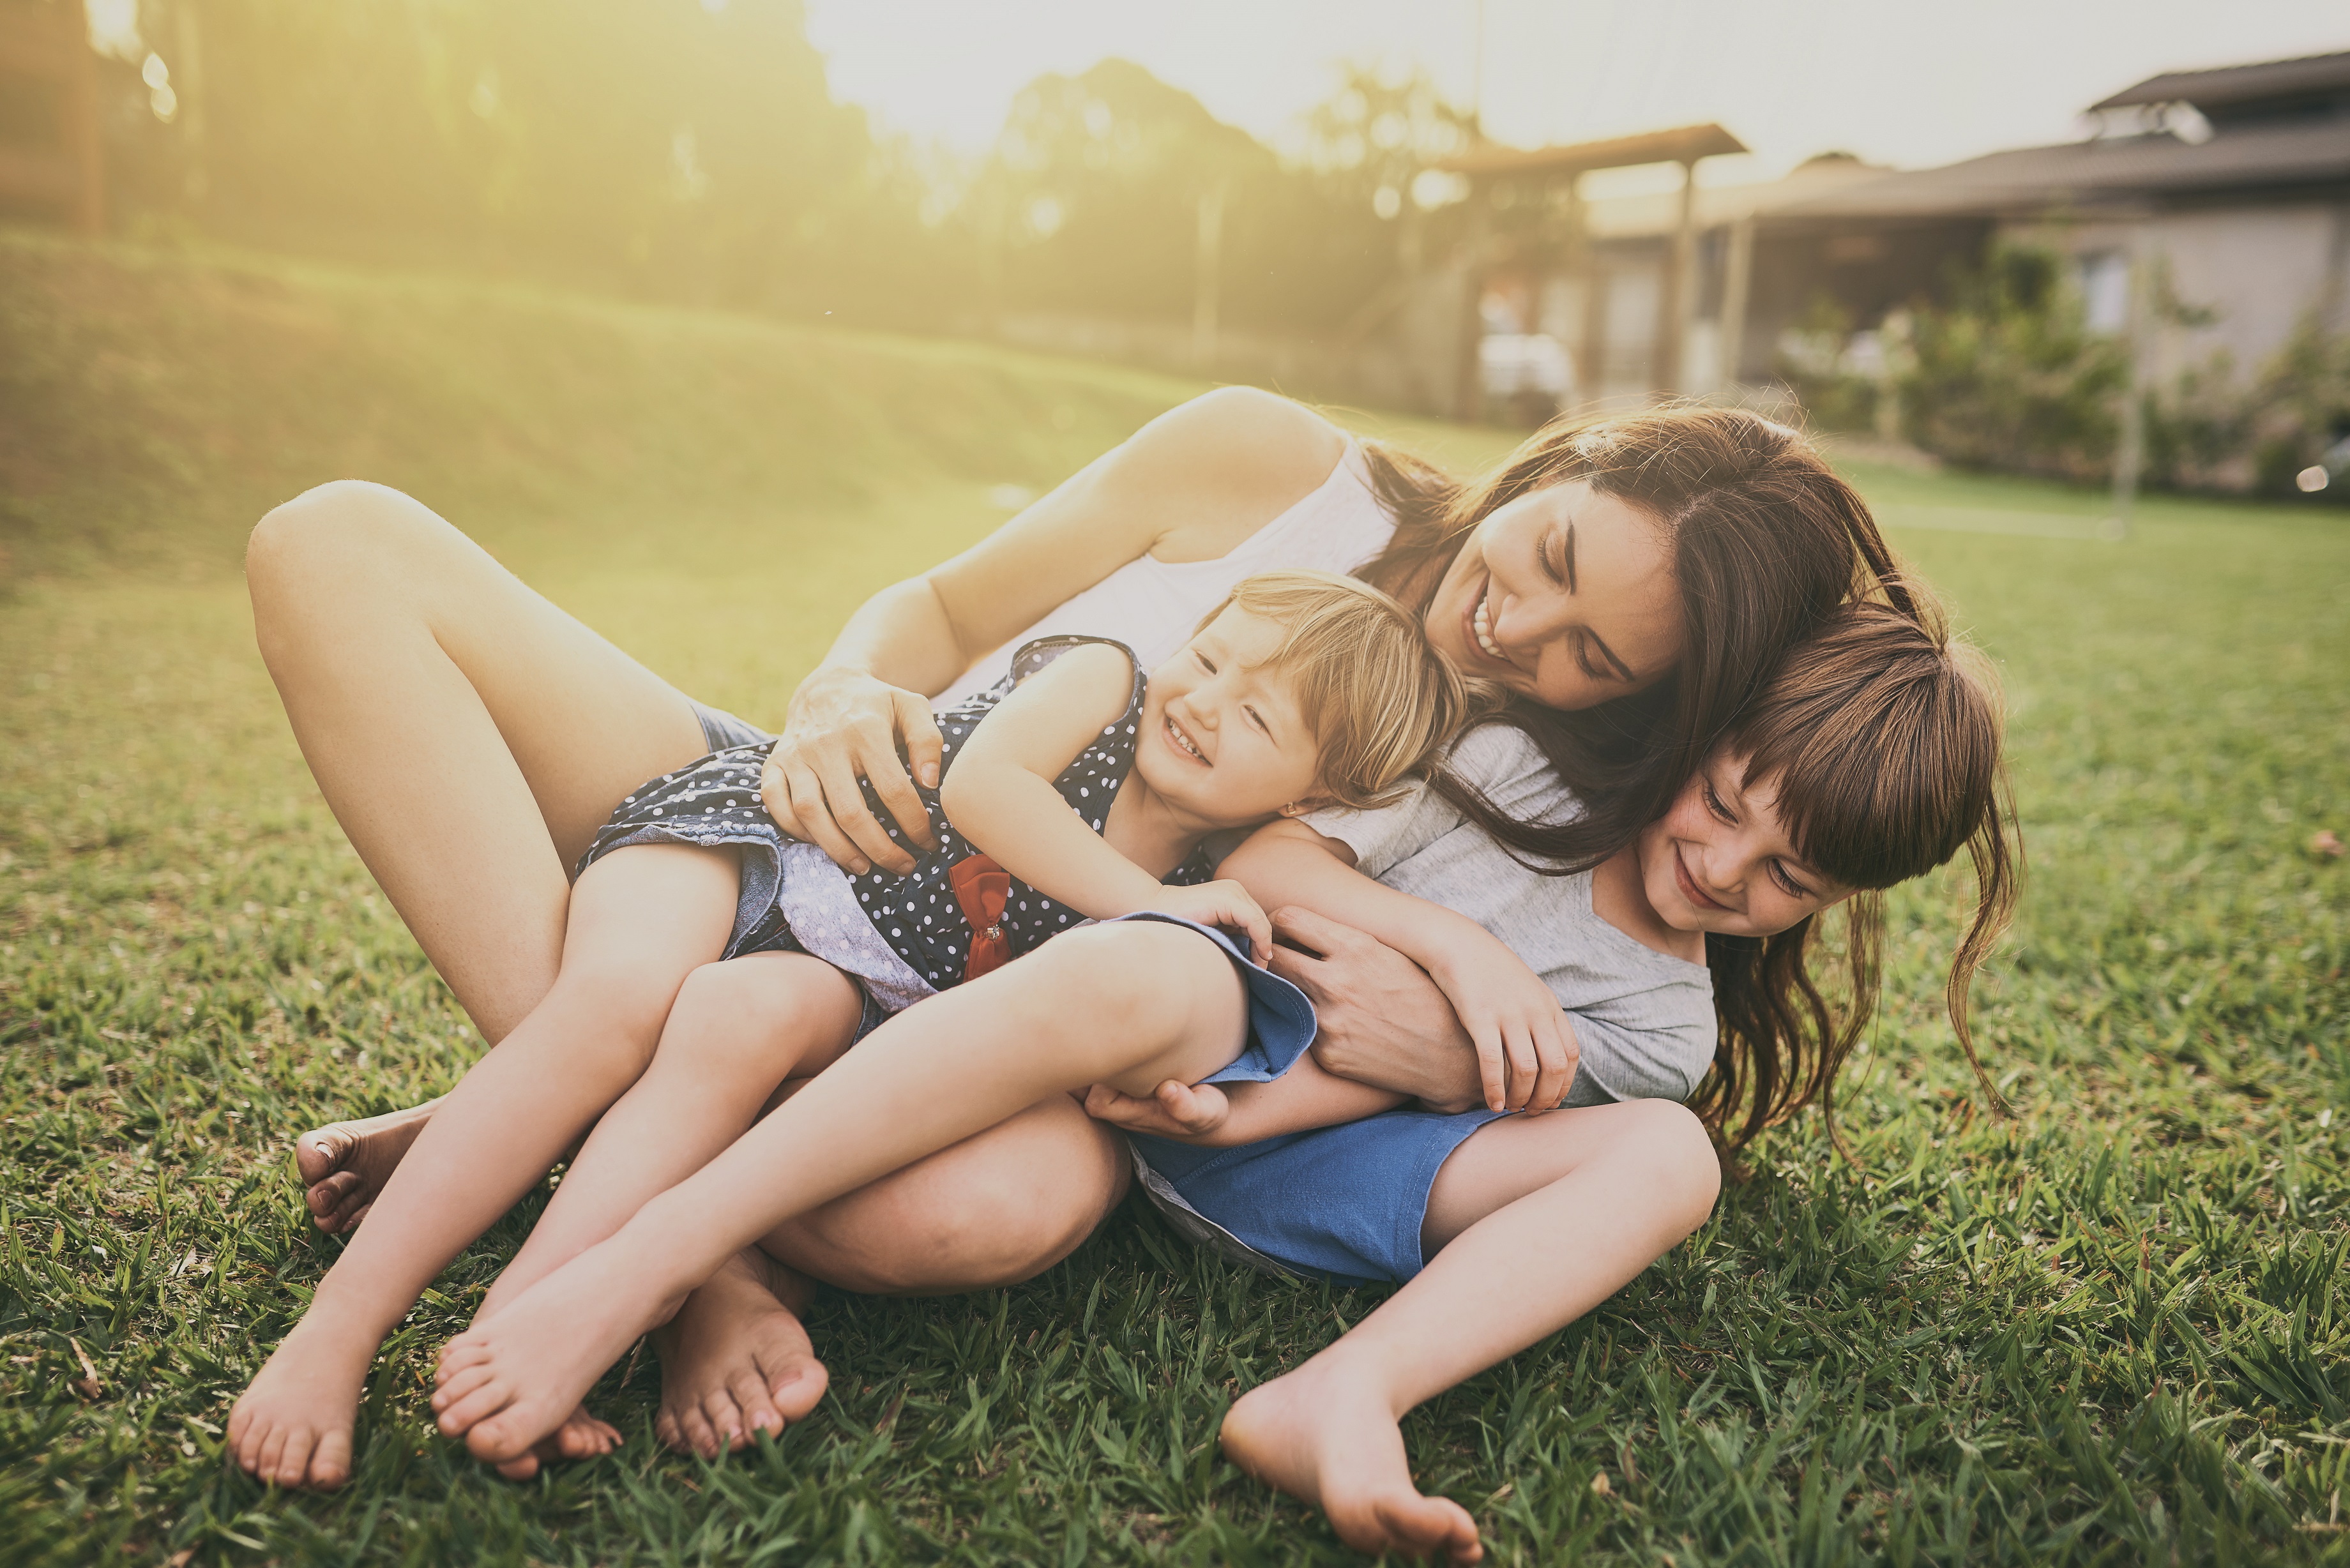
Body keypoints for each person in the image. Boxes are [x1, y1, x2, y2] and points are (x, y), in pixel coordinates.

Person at [228, 395, 1907, 1532]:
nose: (1515, 634)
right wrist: (840, 699)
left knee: (976, 1218)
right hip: (857, 839)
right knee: (339, 541)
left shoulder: (1517, 758)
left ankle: (585, 1143)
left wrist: (1448, 1014)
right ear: (1562, 464)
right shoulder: (1274, 468)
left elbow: (1360, 960)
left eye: (1592, 655)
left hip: (1020, 1018)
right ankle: (640, 1195)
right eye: (1543, 562)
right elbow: (939, 611)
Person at [423, 594, 2019, 1514]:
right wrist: (1448, 950)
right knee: (1164, 956)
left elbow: (1443, 1090)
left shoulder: (1667, 1019)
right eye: (1726, 804)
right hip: (1151, 1012)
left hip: (1261, 1138)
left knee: (1671, 1154)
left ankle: (1341, 1394)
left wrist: (1269, 1101)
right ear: (1704, 740)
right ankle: (664, 1248)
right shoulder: (1510, 770)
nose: (1727, 871)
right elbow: (1277, 864)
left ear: (1842, 900)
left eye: (1787, 878)